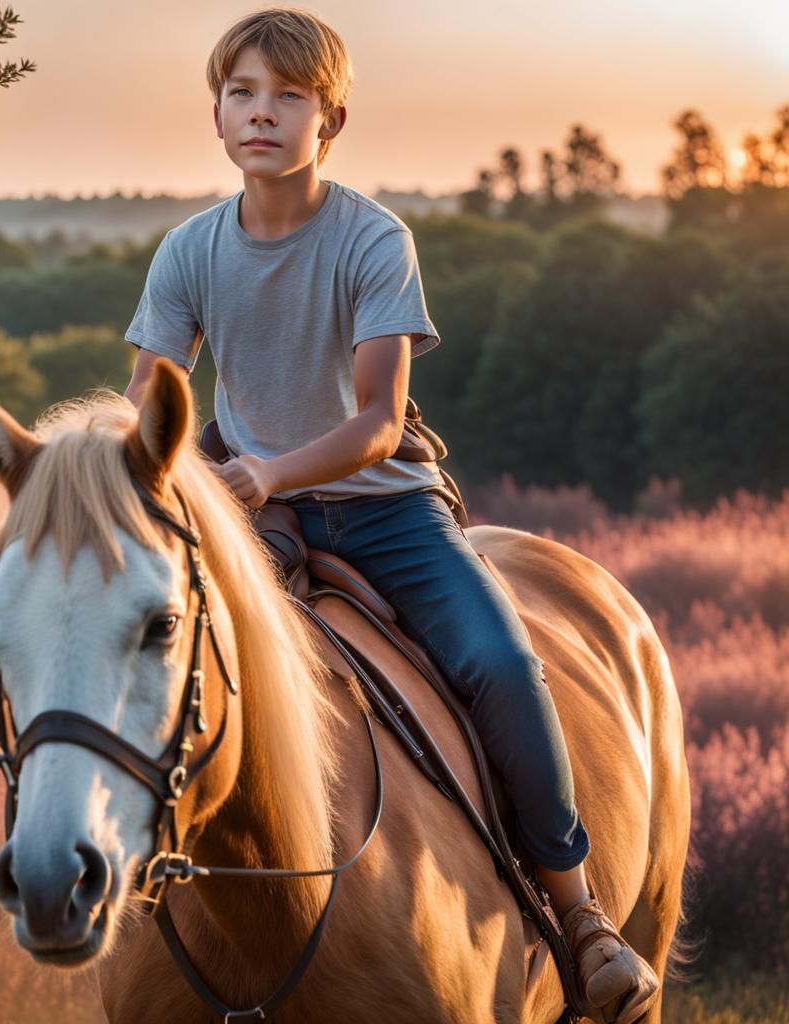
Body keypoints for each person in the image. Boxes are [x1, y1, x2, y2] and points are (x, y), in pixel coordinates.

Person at [123, 8, 659, 1022]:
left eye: (289, 96)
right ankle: (136, 870)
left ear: (331, 120)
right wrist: (171, 485)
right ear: (216, 115)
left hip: (385, 514)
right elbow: (150, 415)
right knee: (168, 657)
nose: (263, 113)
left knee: (501, 665)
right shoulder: (187, 252)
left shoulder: (373, 239)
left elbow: (376, 423)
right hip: (259, 517)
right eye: (242, 93)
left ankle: (580, 913)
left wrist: (262, 473)